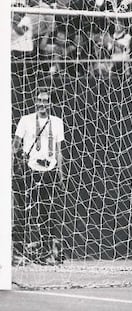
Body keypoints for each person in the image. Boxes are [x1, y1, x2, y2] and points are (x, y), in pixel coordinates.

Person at [12, 90, 65, 265]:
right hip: (30, 169)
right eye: (39, 100)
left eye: (46, 100)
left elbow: (59, 151)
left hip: (49, 169)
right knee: (23, 211)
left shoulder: (57, 122)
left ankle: (47, 252)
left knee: (47, 213)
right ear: (35, 101)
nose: (42, 103)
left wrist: (61, 174)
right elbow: (15, 146)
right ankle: (17, 252)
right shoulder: (25, 120)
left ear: (50, 103)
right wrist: (13, 166)